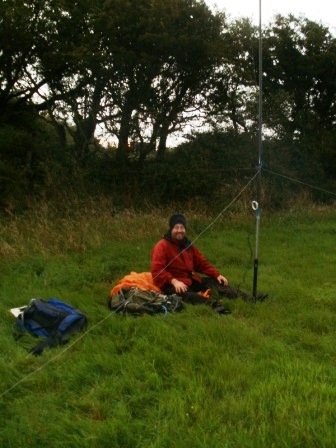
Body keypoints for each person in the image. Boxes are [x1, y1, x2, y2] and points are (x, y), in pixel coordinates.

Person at [150, 214, 267, 312]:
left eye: (182, 227)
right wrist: (174, 281)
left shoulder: (188, 246)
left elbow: (201, 263)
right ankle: (214, 305)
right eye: (176, 227)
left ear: (185, 229)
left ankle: (250, 299)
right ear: (171, 229)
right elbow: (157, 270)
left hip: (189, 280)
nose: (179, 230)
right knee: (187, 294)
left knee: (215, 283)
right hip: (171, 284)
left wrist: (216, 275)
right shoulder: (161, 246)